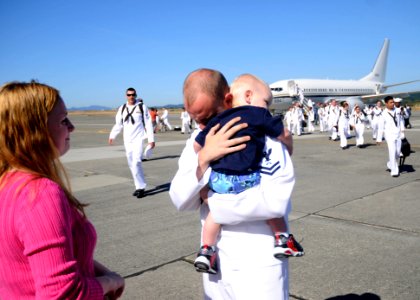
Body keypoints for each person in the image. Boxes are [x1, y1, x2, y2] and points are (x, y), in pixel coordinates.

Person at [170, 68, 295, 299]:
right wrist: (203, 158)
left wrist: (212, 201)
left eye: (207, 117)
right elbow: (180, 200)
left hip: (258, 268)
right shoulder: (199, 142)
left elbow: (274, 204)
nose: (201, 127)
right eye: (195, 119)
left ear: (228, 100)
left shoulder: (262, 137)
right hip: (216, 268)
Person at [0, 81, 125, 299]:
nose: (72, 127)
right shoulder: (38, 193)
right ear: (35, 130)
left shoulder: (7, 183)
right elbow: (62, 293)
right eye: (63, 120)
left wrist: (97, 270)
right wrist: (110, 282)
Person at [192, 74, 303, 274]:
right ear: (249, 96)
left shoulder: (219, 118)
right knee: (272, 211)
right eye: (266, 102)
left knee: (213, 217)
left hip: (219, 180)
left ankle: (206, 251)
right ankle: (283, 238)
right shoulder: (258, 115)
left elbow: (197, 144)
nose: (267, 107)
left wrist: (205, 155)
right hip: (246, 178)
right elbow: (284, 134)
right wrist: (289, 146)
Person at [109, 87, 155, 198]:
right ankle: (138, 185)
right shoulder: (122, 108)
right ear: (126, 96)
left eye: (133, 94)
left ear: (136, 95)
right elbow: (118, 124)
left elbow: (148, 124)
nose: (131, 97)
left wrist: (151, 140)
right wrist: (112, 135)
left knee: (136, 162)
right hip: (127, 140)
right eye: (129, 95)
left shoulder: (141, 106)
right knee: (131, 163)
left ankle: (141, 187)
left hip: (138, 139)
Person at [382, 96, 405, 177]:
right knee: (392, 151)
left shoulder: (398, 110)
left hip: (397, 134)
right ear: (386, 104)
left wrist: (402, 130)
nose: (393, 104)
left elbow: (402, 119)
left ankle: (390, 163)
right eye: (391, 102)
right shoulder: (383, 113)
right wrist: (379, 138)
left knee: (398, 153)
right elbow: (381, 126)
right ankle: (394, 171)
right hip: (389, 135)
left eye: (393, 102)